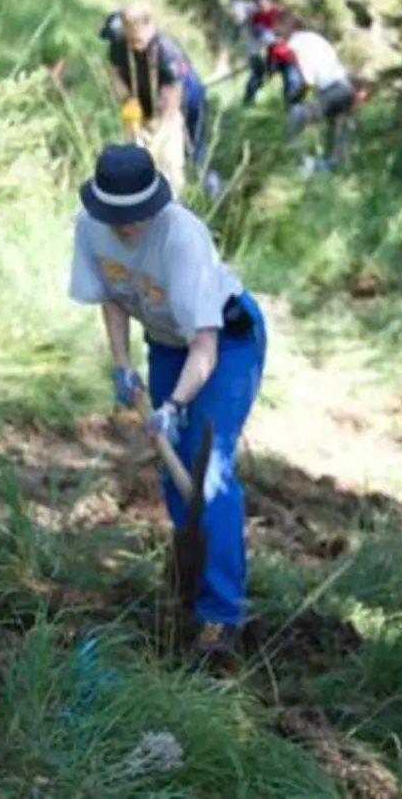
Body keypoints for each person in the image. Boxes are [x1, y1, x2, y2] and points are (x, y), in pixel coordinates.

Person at [67, 142, 268, 656]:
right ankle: (189, 584)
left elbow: (206, 344)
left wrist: (173, 406)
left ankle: (223, 617)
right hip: (164, 344)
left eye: (134, 217)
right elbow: (112, 299)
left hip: (226, 344)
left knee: (212, 472)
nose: (126, 227)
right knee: (174, 475)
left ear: (153, 205)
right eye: (117, 217)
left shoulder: (182, 238)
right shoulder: (90, 226)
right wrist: (121, 365)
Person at [98, 3, 219, 196]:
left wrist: (160, 136)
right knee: (139, 156)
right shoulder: (120, 44)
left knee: (189, 150)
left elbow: (172, 100)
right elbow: (115, 73)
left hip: (186, 100)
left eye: (137, 40)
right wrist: (127, 100)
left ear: (149, 26)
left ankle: (208, 190)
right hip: (145, 102)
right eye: (128, 39)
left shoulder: (167, 51)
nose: (133, 46)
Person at [272, 10, 356, 171]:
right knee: (337, 132)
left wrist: (294, 98)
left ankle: (301, 165)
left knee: (295, 117)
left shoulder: (295, 44)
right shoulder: (314, 37)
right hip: (346, 88)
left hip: (331, 91)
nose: (275, 30)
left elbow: (308, 80)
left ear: (285, 26)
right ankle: (337, 168)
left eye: (277, 26)